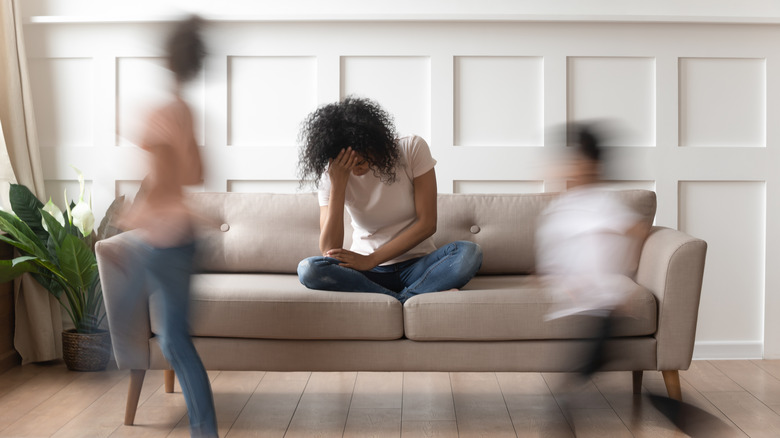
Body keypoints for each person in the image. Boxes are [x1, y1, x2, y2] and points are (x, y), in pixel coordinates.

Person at [115, 16, 217, 438]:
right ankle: (204, 430)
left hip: (164, 239)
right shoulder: (184, 111)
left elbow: (161, 179)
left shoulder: (160, 112)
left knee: (153, 330)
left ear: (167, 57)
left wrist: (135, 215)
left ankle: (205, 431)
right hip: (182, 240)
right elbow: (197, 170)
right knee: (173, 338)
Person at [296, 96, 483, 303]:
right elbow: (329, 249)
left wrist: (371, 259)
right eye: (348, 163)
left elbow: (427, 224)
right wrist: (338, 185)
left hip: (418, 265)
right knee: (308, 269)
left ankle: (394, 299)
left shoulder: (412, 148)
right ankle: (407, 299)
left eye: (360, 160)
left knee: (469, 252)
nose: (356, 168)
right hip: (367, 272)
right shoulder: (332, 174)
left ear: (373, 144)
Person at [535, 123, 649, 376]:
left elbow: (637, 230)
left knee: (591, 350)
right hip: (577, 296)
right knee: (588, 351)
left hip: (599, 299)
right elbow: (554, 250)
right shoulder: (560, 208)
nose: (568, 171)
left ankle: (573, 387)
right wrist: (552, 277)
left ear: (592, 167)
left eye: (577, 163)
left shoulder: (602, 204)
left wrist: (629, 269)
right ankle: (578, 380)